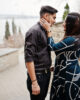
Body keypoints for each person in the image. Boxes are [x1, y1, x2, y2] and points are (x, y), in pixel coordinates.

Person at [40, 12, 80, 100]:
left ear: (71, 25)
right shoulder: (76, 38)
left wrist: (48, 30)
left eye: (65, 22)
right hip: (69, 71)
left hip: (68, 76)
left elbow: (53, 47)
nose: (63, 23)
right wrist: (58, 66)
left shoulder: (72, 40)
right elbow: (70, 56)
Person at [24, 6, 58, 100]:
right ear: (46, 16)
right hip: (38, 77)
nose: (55, 21)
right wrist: (34, 83)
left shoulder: (45, 30)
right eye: (54, 17)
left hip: (46, 74)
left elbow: (44, 51)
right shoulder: (34, 31)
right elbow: (28, 58)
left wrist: (47, 67)